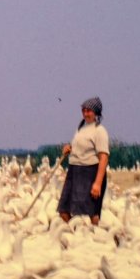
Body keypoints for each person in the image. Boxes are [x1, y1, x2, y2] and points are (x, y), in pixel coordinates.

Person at [58, 96, 110, 225]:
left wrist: (97, 183)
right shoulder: (81, 128)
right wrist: (69, 148)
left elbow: (103, 157)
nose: (85, 114)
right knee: (63, 209)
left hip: (89, 173)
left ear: (96, 112)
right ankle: (77, 236)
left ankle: (93, 238)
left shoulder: (99, 131)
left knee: (91, 211)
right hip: (74, 171)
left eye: (89, 111)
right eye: (84, 110)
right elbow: (79, 146)